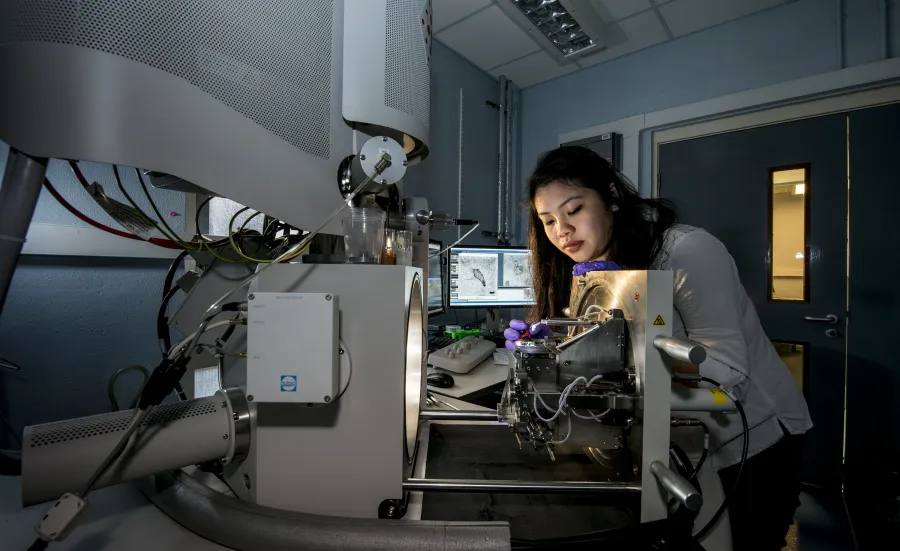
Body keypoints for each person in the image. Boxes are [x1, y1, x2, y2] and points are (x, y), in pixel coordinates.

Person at [505, 146, 812, 550]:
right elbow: (614, 356)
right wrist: (555, 350)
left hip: (753, 441)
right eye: (548, 220)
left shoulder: (686, 251)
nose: (561, 230)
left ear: (612, 198)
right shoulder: (594, 270)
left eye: (574, 209)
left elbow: (729, 374)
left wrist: (608, 375)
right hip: (680, 440)